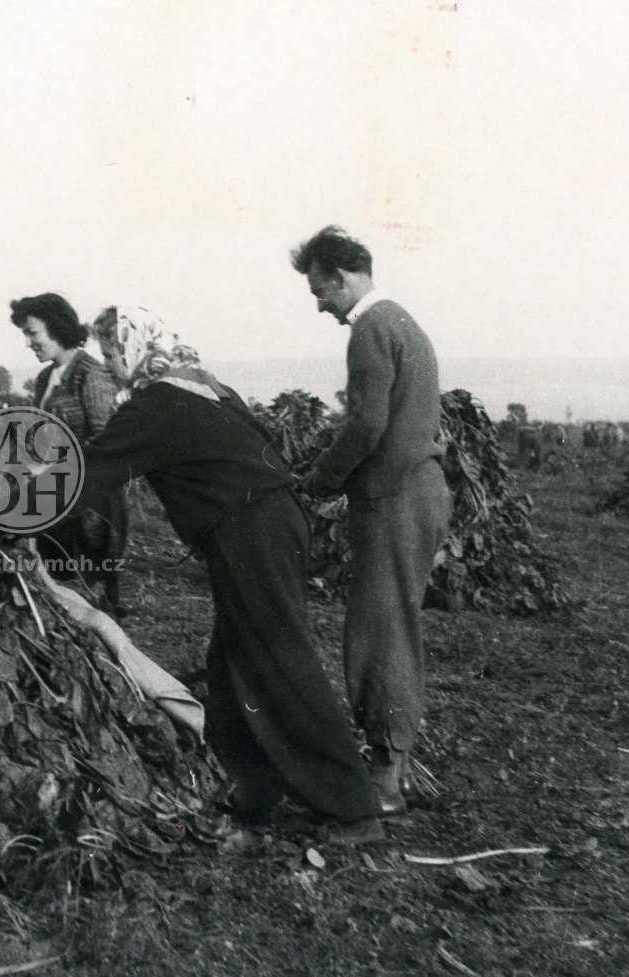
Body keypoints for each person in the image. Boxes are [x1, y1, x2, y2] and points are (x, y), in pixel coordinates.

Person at [75, 312, 385, 844]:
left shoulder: (154, 406)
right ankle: (256, 787)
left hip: (250, 531)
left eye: (111, 354)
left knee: (280, 657)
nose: (109, 366)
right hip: (272, 521)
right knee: (232, 657)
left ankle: (356, 808)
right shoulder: (205, 387)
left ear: (133, 347)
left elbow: (89, 473)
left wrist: (5, 508)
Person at [291, 225, 453, 817]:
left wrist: (319, 479)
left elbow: (365, 428)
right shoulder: (401, 322)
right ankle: (393, 764)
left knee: (380, 631)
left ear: (340, 277)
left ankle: (384, 776)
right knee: (393, 624)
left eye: (318, 290)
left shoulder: (371, 329)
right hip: (415, 493)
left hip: (394, 500)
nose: (318, 304)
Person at [9, 293, 126, 616]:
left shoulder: (91, 374)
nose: (29, 342)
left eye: (33, 333)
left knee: (89, 592)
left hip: (89, 503)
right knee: (52, 586)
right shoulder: (46, 378)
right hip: (53, 494)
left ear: (57, 328)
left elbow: (106, 443)